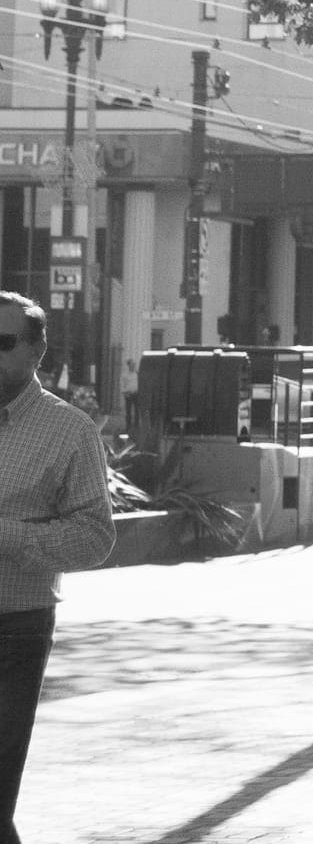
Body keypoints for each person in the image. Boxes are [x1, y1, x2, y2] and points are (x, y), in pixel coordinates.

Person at [0, 290, 114, 844]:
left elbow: (96, 538)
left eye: (3, 342)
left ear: (36, 351)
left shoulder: (69, 431)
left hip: (12, 628)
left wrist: (8, 535)